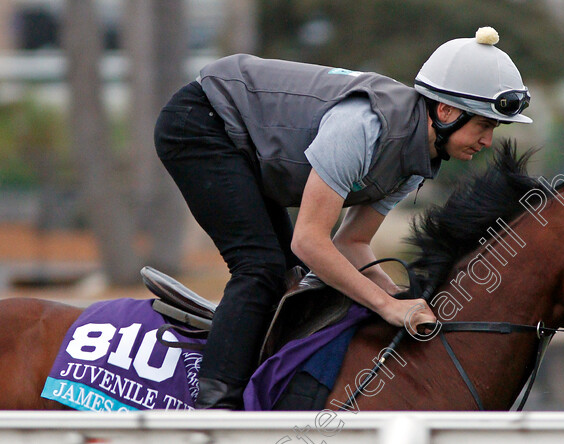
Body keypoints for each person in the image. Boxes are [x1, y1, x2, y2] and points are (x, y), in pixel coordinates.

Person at [153, 26, 532, 409]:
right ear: (447, 111)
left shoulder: (419, 158)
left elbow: (350, 243)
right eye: (483, 125)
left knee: (291, 276)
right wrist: (386, 307)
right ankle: (214, 410)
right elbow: (310, 240)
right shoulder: (364, 128)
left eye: (493, 127)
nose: (488, 141)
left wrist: (399, 296)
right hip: (199, 121)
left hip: (243, 140)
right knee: (261, 267)